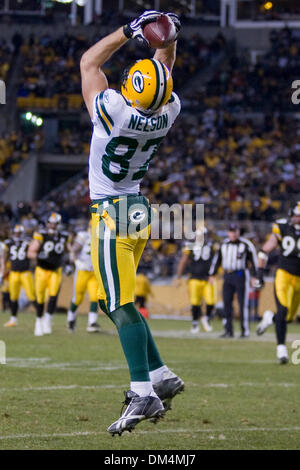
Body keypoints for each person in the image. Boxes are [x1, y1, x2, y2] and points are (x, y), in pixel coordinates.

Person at [80, 10, 184, 436]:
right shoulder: (169, 109)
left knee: (119, 304)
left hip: (110, 211)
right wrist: (167, 35)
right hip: (137, 208)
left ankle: (142, 390)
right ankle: (158, 373)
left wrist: (129, 30)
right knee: (113, 299)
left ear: (130, 88)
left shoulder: (113, 111)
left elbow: (89, 62)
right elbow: (165, 68)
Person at [255, 201, 300, 364]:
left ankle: (269, 317)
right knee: (283, 309)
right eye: (295, 216)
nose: (297, 219)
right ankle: (281, 349)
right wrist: (260, 273)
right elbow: (265, 250)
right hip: (284, 274)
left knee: (288, 317)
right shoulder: (282, 227)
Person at [209, 223, 258, 338]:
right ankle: (228, 330)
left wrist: (254, 276)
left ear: (239, 232)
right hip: (227, 275)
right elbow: (217, 260)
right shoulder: (224, 244)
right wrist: (212, 274)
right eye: (231, 231)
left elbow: (254, 261)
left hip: (241, 274)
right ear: (228, 232)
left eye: (235, 231)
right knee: (227, 303)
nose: (233, 233)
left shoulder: (246, 244)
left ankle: (244, 330)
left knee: (243, 303)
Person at [28, 212, 69, 336]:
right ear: (47, 223)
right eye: (50, 223)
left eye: (54, 223)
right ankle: (38, 321)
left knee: (53, 296)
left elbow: (67, 251)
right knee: (40, 298)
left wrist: (70, 262)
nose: (52, 225)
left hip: (56, 270)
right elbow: (30, 252)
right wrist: (38, 255)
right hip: (42, 270)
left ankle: (48, 320)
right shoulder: (41, 235)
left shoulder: (64, 236)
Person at [176, 227, 216, 333]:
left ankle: (206, 318)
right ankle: (195, 324)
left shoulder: (212, 246)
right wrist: (178, 276)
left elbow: (217, 261)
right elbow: (183, 261)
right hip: (194, 278)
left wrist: (215, 274)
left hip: (207, 278)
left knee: (211, 301)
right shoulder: (190, 246)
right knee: (195, 303)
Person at [1, 225, 37, 327]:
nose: (17, 235)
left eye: (19, 233)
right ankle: (13, 320)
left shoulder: (27, 241)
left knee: (31, 295)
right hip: (13, 272)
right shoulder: (8, 243)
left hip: (25, 272)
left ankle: (40, 317)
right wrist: (3, 268)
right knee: (13, 297)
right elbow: (5, 256)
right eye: (16, 233)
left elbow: (33, 250)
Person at [67, 222, 101, 333]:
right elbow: (73, 250)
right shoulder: (84, 235)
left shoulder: (102, 236)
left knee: (95, 297)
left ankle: (92, 323)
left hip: (94, 273)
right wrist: (76, 262)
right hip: (82, 271)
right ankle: (71, 319)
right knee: (78, 298)